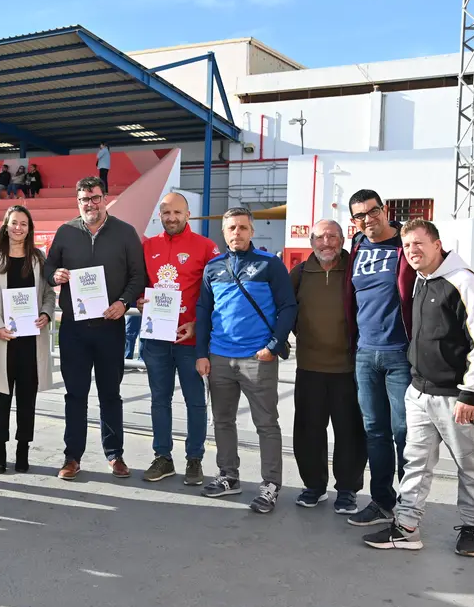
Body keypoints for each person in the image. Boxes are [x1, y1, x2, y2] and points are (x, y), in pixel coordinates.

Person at [363, 219, 474, 557]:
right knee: (416, 462)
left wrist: (471, 391)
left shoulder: (463, 282)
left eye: (420, 243)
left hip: (456, 397)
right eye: (408, 247)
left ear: (438, 245)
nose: (413, 251)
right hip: (419, 392)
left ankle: (471, 528)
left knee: (469, 465)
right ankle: (406, 527)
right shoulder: (421, 280)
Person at [196, 207, 297, 514]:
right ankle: (228, 476)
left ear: (252, 231)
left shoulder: (270, 264)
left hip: (258, 357)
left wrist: (273, 345)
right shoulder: (213, 267)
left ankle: (270, 484)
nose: (236, 233)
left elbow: (288, 307)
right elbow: (203, 311)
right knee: (222, 420)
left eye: (242, 227)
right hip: (220, 357)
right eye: (231, 228)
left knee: (266, 423)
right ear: (224, 233)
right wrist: (202, 352)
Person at [45, 177, 145, 480]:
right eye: (84, 199)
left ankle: (115, 455)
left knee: (110, 394)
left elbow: (138, 276)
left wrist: (123, 303)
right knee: (75, 394)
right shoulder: (65, 232)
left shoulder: (125, 233)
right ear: (78, 201)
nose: (91, 204)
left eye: (96, 198)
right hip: (73, 328)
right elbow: (48, 269)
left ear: (106, 199)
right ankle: (72, 457)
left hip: (110, 326)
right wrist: (56, 275)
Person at [344, 189, 416, 527]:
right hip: (364, 354)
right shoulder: (356, 248)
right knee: (375, 431)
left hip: (400, 353)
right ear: (353, 221)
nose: (368, 219)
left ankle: (409, 506)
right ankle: (382, 501)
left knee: (404, 432)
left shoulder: (406, 243)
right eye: (360, 215)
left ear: (384, 210)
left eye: (373, 211)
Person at [137, 193, 220, 486]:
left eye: (177, 212)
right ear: (160, 215)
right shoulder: (148, 246)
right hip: (157, 339)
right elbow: (139, 283)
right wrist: (139, 301)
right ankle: (163, 457)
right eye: (166, 212)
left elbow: (215, 295)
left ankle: (194, 459)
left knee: (195, 401)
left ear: (188, 214)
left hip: (190, 341)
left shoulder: (206, 247)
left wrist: (198, 325)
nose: (171, 217)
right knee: (159, 400)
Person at [290, 219, 367, 512]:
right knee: (309, 430)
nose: (327, 243)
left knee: (350, 432)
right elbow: (286, 309)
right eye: (321, 237)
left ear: (343, 240)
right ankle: (314, 485)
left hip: (349, 368)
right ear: (311, 242)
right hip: (309, 366)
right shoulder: (299, 273)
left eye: (333, 237)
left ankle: (347, 489)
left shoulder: (355, 269)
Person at [0, 205, 56, 473]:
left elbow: (48, 294)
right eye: (14, 223)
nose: (18, 228)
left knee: (27, 399)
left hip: (30, 341)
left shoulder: (38, 258)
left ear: (29, 228)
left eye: (24, 223)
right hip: (3, 340)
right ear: (5, 225)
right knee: (1, 399)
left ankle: (23, 449)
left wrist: (46, 313)